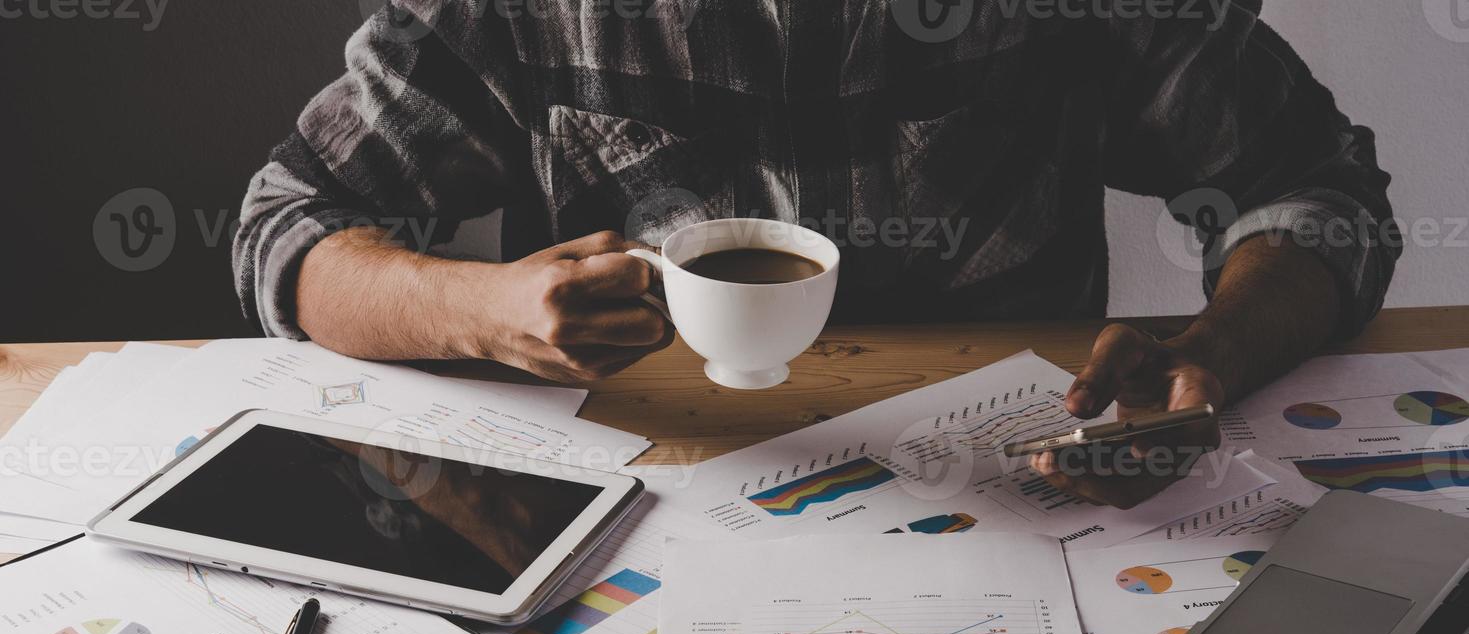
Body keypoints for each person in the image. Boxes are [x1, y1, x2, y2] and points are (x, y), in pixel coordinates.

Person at [232, 1, 1398, 507]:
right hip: (660, 507)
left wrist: (1214, 351)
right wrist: (477, 308)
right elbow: (286, 224)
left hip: (1039, 504)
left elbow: (1317, 182)